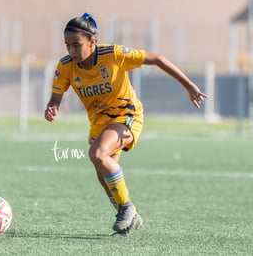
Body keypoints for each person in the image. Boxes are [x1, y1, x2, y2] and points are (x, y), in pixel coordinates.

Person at [44, 13, 208, 237]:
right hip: (99, 124)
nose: (71, 50)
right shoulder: (65, 66)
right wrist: (52, 107)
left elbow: (158, 59)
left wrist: (189, 85)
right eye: (67, 45)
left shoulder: (114, 54)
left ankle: (127, 209)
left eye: (76, 45)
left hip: (127, 115)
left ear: (92, 42)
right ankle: (131, 214)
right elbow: (56, 97)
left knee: (98, 154)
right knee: (103, 176)